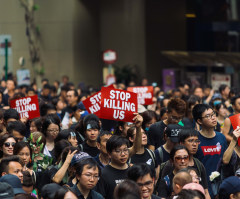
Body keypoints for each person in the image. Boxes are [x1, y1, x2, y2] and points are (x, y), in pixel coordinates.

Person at [192, 104, 228, 198]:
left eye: (213, 114)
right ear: (199, 121)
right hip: (202, 187)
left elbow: (225, 161)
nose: (213, 118)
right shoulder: (195, 139)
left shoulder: (221, 137)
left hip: (220, 187)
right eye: (208, 116)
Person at [179, 128, 210, 199]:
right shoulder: (174, 164)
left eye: (197, 141)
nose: (194, 144)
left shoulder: (199, 164)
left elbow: (206, 192)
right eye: (190, 141)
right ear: (181, 143)